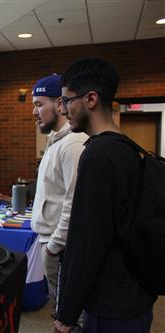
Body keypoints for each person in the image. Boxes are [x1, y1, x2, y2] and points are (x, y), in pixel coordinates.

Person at [54, 58, 156, 333]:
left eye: (66, 100)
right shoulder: (130, 149)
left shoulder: (98, 155)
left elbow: (87, 242)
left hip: (111, 305)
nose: (63, 110)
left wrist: (65, 316)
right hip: (136, 293)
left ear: (90, 99)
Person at [30, 74, 87, 304]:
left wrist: (53, 247)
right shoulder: (55, 141)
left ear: (60, 104)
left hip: (60, 248)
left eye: (39, 104)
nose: (34, 112)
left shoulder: (73, 144)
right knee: (61, 307)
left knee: (69, 312)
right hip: (51, 243)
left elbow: (74, 204)